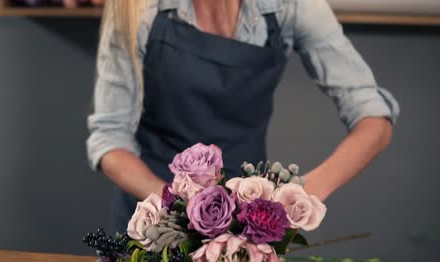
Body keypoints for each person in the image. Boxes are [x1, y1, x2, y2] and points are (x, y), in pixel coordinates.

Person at [86, 0, 400, 234]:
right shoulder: (137, 7)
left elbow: (374, 118)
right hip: (155, 216)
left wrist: (303, 194)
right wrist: (180, 208)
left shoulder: (290, 6)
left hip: (247, 224)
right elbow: (110, 139)